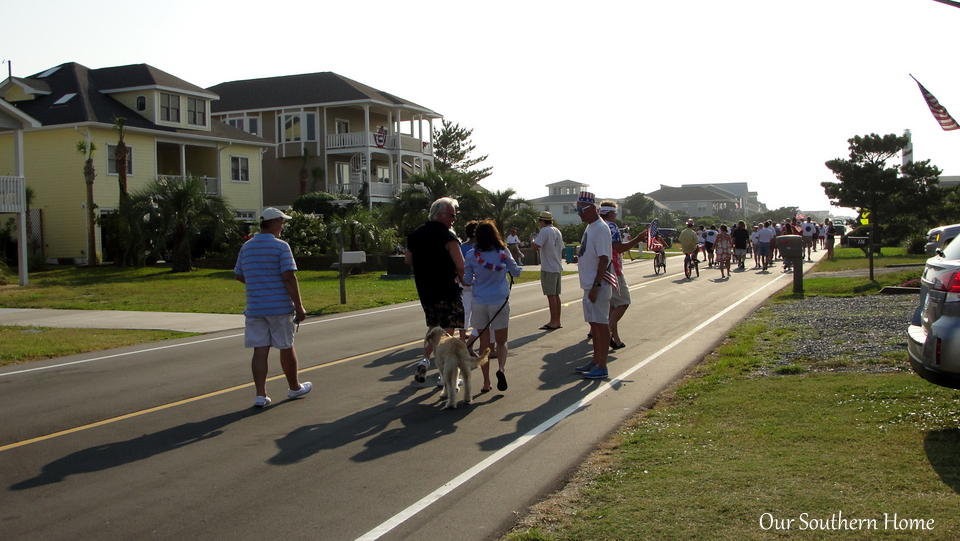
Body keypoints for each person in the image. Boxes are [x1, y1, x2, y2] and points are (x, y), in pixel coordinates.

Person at [234, 207, 312, 408]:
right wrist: (299, 306)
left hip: (255, 307)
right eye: (282, 222)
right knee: (286, 346)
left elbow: (239, 275)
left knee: (260, 350)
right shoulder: (281, 247)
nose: (283, 226)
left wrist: (258, 282)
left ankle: (261, 394)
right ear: (275, 223)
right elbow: (288, 277)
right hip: (278, 306)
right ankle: (294, 387)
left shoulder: (247, 247)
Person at [405, 197, 466, 386]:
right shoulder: (448, 236)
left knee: (433, 327)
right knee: (448, 330)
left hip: (426, 290)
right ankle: (444, 374)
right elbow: (460, 264)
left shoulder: (415, 234)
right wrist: (463, 279)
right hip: (446, 289)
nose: (454, 219)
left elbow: (408, 260)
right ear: (440, 215)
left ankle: (425, 359)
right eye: (451, 215)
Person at [463, 220, 522, 393]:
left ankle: (486, 382)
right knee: (502, 341)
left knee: (484, 344)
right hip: (500, 300)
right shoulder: (502, 251)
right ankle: (501, 369)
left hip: (480, 301)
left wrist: (475, 280)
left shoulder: (472, 255)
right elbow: (516, 271)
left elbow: (467, 280)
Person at [573, 192, 613, 379]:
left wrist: (597, 285)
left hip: (598, 285)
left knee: (601, 324)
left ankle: (602, 365)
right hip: (588, 285)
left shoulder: (600, 228)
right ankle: (595, 360)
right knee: (594, 325)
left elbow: (604, 258)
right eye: (577, 209)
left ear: (591, 208)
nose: (578, 213)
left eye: (581, 209)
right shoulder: (590, 227)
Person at [598, 201, 645, 349]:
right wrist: (637, 239)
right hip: (613, 269)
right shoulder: (611, 226)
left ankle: (615, 338)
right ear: (611, 213)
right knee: (624, 301)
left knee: (612, 305)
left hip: (601, 269)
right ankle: (607, 331)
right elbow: (618, 248)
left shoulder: (595, 226)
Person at [530, 210, 565, 330]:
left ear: (542, 221)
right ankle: (557, 320)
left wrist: (532, 239)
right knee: (556, 295)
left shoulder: (545, 231)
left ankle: (553, 321)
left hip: (548, 267)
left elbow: (535, 246)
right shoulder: (557, 231)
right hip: (557, 265)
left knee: (551, 295)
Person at [458, 221, 480, 347]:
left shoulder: (461, 246)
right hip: (477, 281)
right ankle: (475, 334)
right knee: (478, 310)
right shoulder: (480, 248)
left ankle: (462, 336)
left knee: (465, 310)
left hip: (463, 281)